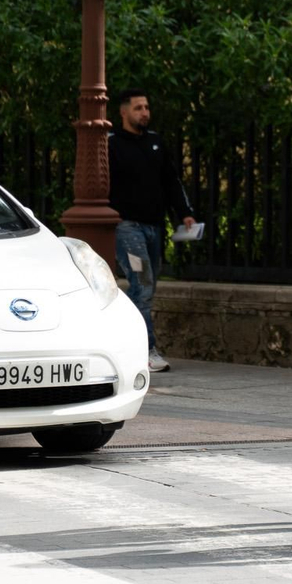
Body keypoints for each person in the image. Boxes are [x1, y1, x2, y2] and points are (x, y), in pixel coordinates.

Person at [108, 89, 196, 373]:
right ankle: (145, 349)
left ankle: (120, 342)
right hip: (127, 227)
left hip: (155, 226)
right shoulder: (111, 144)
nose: (144, 112)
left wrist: (184, 213)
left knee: (145, 287)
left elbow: (171, 180)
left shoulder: (156, 142)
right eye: (138, 108)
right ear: (124, 112)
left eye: (146, 107)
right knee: (143, 284)